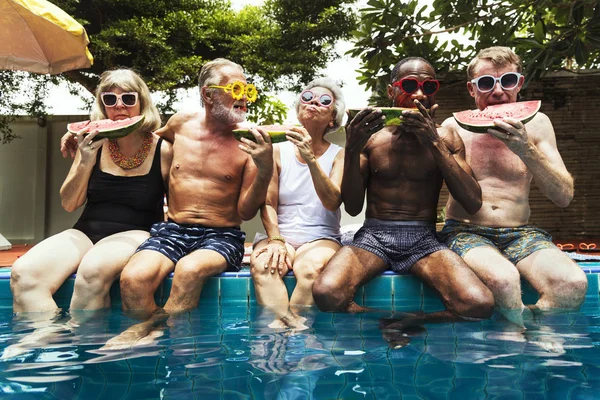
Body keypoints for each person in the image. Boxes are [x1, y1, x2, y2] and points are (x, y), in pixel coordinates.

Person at [312, 57, 495, 323]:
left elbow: (472, 201)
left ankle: (411, 321)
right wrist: (352, 149)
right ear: (391, 91)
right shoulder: (373, 138)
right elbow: (352, 206)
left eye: (428, 86)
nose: (419, 93)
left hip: (423, 238)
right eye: (409, 85)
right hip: (374, 235)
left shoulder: (445, 137)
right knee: (327, 294)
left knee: (479, 304)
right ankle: (386, 319)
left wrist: (433, 141)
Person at [439, 46, 587, 325]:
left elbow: (564, 196)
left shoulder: (539, 124)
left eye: (507, 81)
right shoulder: (453, 127)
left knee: (572, 284)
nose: (497, 92)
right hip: (465, 230)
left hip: (520, 233)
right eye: (485, 83)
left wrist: (525, 149)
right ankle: (519, 336)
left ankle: (528, 332)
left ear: (519, 84)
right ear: (472, 90)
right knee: (502, 279)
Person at [117, 58, 273, 317]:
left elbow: (245, 212)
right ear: (208, 95)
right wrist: (93, 136)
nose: (244, 98)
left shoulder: (249, 140)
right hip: (173, 231)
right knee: (133, 279)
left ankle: (147, 333)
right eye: (235, 90)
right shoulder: (180, 124)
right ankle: (149, 344)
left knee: (189, 270)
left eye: (247, 90)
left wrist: (265, 168)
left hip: (222, 236)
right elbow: (143, 142)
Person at [9, 69, 172, 313]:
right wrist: (85, 159)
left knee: (91, 272)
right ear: (102, 105)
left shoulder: (164, 150)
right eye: (109, 99)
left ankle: (87, 347)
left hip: (138, 232)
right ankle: (46, 340)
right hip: (86, 231)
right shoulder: (91, 143)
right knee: (23, 274)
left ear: (142, 103)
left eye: (128, 99)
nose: (119, 107)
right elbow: (69, 203)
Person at [249, 78, 345, 330]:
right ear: (298, 108)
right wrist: (276, 240)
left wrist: (311, 159)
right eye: (307, 97)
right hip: (281, 234)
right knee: (264, 265)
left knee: (310, 270)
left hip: (321, 236)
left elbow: (332, 201)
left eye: (325, 101)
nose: (314, 102)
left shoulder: (339, 154)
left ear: (333, 118)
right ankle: (290, 325)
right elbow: (267, 202)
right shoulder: (277, 150)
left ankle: (285, 334)